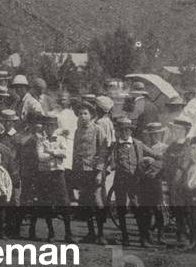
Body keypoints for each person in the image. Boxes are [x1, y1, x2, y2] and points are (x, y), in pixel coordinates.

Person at [108, 115, 159, 247]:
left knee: (137, 208)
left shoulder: (138, 144)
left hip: (135, 181)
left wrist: (156, 161)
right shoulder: (114, 146)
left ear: (131, 131)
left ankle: (143, 237)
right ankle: (125, 237)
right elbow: (110, 161)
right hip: (120, 180)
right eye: (121, 130)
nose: (124, 133)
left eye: (127, 130)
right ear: (117, 131)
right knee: (121, 208)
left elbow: (155, 155)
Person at [30, 113, 73, 243]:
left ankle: (68, 233)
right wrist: (55, 154)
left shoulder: (61, 139)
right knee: (47, 203)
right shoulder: (40, 140)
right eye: (46, 126)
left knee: (64, 203)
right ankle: (51, 232)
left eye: (51, 126)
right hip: (45, 174)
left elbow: (65, 154)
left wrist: (50, 151)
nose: (49, 128)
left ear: (55, 126)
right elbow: (40, 157)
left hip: (58, 173)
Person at [72, 101, 108, 244]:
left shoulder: (98, 129)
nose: (82, 116)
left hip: (94, 171)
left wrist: (99, 171)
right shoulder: (77, 131)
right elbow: (75, 151)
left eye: (85, 113)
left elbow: (103, 151)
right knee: (85, 202)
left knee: (98, 201)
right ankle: (90, 233)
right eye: (80, 114)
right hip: (82, 170)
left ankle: (101, 234)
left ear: (91, 115)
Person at [163, 117, 194, 247]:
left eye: (178, 129)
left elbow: (185, 163)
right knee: (176, 206)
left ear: (184, 130)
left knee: (185, 207)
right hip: (172, 179)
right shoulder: (173, 145)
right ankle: (180, 232)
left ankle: (187, 234)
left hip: (182, 179)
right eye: (174, 128)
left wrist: (178, 173)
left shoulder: (188, 145)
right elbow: (165, 158)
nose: (175, 131)